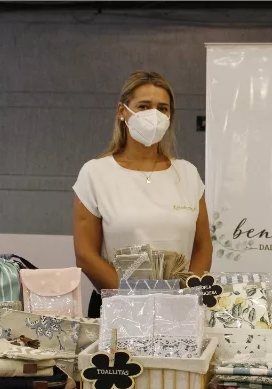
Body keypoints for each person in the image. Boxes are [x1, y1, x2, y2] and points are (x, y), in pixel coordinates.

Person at [72, 71, 212, 317]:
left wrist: (185, 298)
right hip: (117, 308)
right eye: (144, 106)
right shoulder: (95, 173)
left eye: (162, 108)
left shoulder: (188, 174)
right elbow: (86, 255)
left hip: (178, 312)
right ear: (122, 111)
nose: (154, 115)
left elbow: (203, 247)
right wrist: (134, 300)